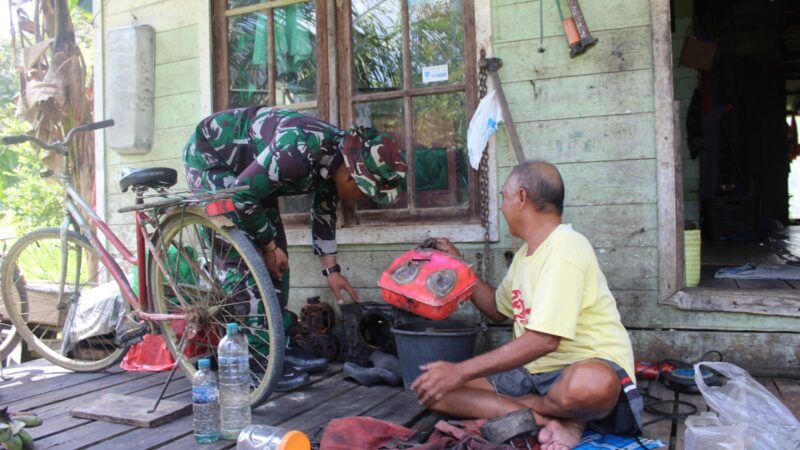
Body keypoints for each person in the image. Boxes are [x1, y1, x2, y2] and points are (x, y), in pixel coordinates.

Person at [412, 161, 643, 450]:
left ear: (521, 197)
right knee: (433, 390)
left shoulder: (566, 246)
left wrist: (461, 370)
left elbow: (545, 340)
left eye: (503, 197)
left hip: (580, 367)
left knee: (590, 383)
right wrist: (459, 268)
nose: (502, 206)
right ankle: (544, 417)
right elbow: (497, 309)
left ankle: (546, 412)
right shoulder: (525, 256)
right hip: (530, 375)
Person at [183, 106, 406, 391]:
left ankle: (280, 345)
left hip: (249, 180)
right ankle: (255, 360)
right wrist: (266, 244)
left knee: (279, 259)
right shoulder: (298, 151)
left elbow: (324, 214)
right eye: (366, 195)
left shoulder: (337, 159)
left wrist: (332, 272)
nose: (363, 202)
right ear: (352, 178)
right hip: (213, 160)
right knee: (242, 263)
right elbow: (240, 196)